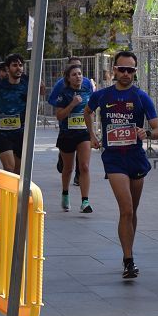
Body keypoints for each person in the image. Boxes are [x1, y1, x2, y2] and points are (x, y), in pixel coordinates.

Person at [85, 51, 158, 280]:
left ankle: (129, 249)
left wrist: (146, 132)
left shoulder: (141, 97)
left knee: (132, 212)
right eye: (122, 69)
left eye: (131, 70)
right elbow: (87, 112)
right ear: (114, 70)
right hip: (114, 159)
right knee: (126, 209)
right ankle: (128, 260)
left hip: (135, 157)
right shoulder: (102, 95)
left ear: (135, 72)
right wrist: (92, 136)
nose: (126, 74)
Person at [53, 64, 95, 212]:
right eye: (74, 74)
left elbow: (90, 113)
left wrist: (93, 134)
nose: (78, 76)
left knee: (84, 166)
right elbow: (59, 115)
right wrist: (72, 104)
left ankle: (85, 201)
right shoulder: (63, 94)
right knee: (68, 168)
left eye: (80, 73)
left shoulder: (87, 91)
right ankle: (65, 193)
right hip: (67, 134)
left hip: (83, 134)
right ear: (68, 78)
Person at [0, 53, 29, 174]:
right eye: (15, 65)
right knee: (9, 168)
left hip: (21, 132)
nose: (18, 68)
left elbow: (39, 95)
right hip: (3, 133)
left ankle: (15, 193)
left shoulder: (27, 84)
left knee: (18, 171)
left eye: (20, 65)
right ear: (7, 68)